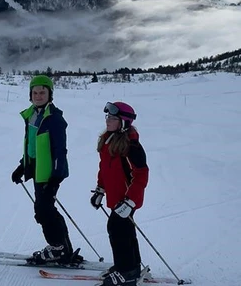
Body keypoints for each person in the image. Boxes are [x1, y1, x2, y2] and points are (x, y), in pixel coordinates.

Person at [11, 75, 77, 264]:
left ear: (50, 94)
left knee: (43, 210)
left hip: (50, 172)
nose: (39, 95)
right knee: (46, 209)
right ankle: (63, 246)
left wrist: (55, 177)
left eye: (43, 92)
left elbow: (60, 150)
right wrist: (22, 167)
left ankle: (57, 247)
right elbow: (32, 146)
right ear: (30, 95)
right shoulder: (32, 115)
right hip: (37, 170)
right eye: (35, 92)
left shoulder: (54, 118)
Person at [90, 101, 149, 286]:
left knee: (117, 229)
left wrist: (130, 201)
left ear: (124, 122)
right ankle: (131, 266)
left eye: (113, 118)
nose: (108, 120)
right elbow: (105, 169)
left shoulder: (132, 146)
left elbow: (141, 175)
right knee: (125, 230)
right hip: (115, 198)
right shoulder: (108, 140)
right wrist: (100, 190)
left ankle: (127, 272)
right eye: (108, 117)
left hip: (126, 199)